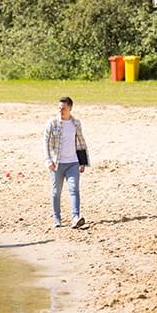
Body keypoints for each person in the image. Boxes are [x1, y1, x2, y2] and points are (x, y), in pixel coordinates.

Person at [43, 96, 90, 229]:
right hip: (56, 163)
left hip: (73, 163)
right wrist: (48, 160)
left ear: (70, 108)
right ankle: (57, 218)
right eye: (59, 108)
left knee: (74, 189)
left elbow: (81, 142)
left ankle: (75, 217)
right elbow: (45, 142)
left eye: (63, 108)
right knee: (56, 192)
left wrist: (82, 162)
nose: (61, 111)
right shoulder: (52, 123)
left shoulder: (76, 123)